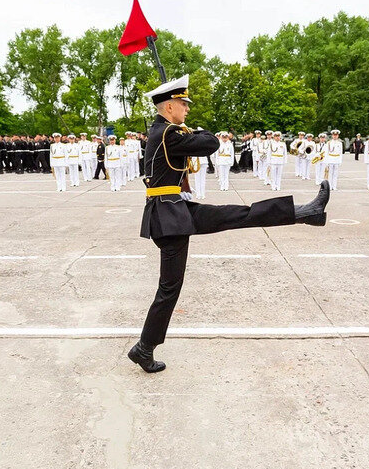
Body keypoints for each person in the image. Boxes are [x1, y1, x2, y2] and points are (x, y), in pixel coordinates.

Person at [129, 74, 331, 373]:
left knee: (238, 214)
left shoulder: (166, 130)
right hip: (168, 217)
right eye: (183, 104)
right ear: (169, 106)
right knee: (169, 288)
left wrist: (185, 127)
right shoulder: (168, 134)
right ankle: (144, 349)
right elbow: (210, 143)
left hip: (176, 210)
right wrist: (193, 129)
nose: (187, 109)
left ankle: (305, 213)